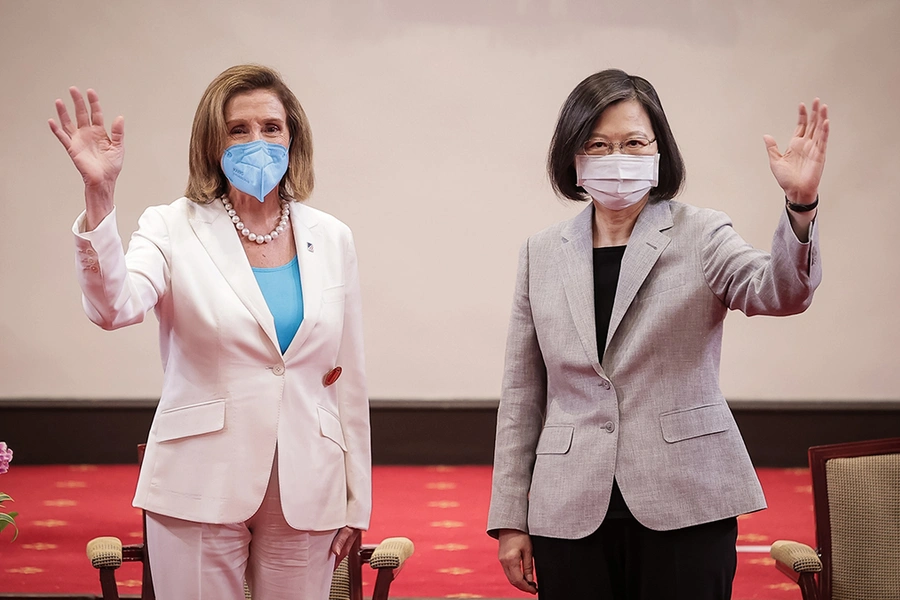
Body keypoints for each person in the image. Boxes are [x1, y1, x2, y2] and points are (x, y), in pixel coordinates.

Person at [487, 69, 828, 599]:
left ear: (658, 151)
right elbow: (523, 394)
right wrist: (511, 518)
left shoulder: (702, 233)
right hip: (569, 505)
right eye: (597, 145)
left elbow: (780, 292)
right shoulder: (541, 253)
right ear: (572, 159)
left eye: (632, 142)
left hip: (685, 497)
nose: (615, 157)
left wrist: (800, 207)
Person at [50, 65, 371, 599]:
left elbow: (350, 378)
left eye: (271, 127)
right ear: (211, 142)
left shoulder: (332, 238)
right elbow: (114, 307)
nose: (258, 141)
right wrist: (99, 196)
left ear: (293, 136)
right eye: (238, 129)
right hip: (198, 478)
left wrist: (355, 500)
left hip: (309, 483)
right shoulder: (170, 226)